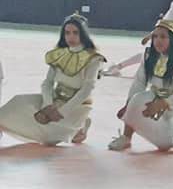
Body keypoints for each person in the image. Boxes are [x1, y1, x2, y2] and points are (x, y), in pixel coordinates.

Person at [0, 13, 104, 146]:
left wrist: (62, 111)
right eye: (67, 33)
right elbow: (47, 83)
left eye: (75, 33)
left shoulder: (93, 58)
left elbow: (87, 89)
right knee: (18, 102)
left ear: (83, 34)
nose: (70, 37)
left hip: (76, 106)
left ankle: (82, 124)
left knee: (49, 140)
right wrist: (47, 104)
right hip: (55, 99)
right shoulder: (58, 54)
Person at [107, 20, 173, 152]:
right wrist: (128, 105)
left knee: (165, 145)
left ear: (172, 39)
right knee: (136, 100)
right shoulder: (148, 56)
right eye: (155, 37)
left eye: (163, 37)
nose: (158, 40)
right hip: (152, 97)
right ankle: (126, 137)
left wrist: (162, 103)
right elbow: (139, 82)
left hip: (172, 106)